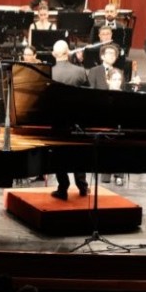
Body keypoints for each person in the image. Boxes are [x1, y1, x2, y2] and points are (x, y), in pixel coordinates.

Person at [50, 40, 88, 199]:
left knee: (59, 154)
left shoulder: (49, 72)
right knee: (78, 152)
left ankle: (63, 188)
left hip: (57, 120)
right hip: (77, 119)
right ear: (68, 53)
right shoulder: (80, 71)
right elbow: (89, 95)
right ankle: (82, 186)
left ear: (53, 54)